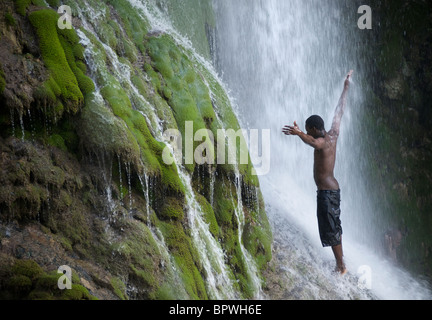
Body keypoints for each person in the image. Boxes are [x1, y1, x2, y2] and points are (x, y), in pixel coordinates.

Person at [282, 70, 353, 275]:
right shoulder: (333, 134)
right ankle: (340, 263)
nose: (306, 131)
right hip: (333, 190)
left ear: (313, 128)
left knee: (331, 229)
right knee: (334, 226)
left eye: (307, 128)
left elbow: (312, 142)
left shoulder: (320, 142)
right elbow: (339, 111)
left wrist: (298, 134)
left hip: (327, 193)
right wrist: (346, 87)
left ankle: (341, 266)